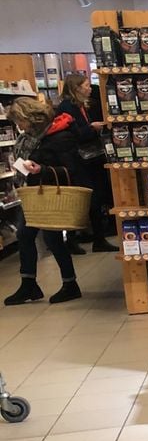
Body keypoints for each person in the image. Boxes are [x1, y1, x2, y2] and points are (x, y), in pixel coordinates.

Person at [4, 98, 86, 305]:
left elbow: (73, 170)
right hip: (33, 194)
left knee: (53, 238)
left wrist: (43, 170)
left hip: (51, 195)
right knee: (24, 234)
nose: (18, 127)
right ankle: (28, 284)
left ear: (28, 118)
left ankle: (70, 284)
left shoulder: (59, 136)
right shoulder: (30, 138)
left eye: (19, 121)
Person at [57, 73, 118, 252]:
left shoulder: (83, 105)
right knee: (84, 200)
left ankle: (98, 239)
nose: (89, 88)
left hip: (91, 158)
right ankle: (73, 238)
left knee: (96, 198)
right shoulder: (67, 108)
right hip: (79, 161)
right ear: (76, 88)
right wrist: (92, 128)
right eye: (85, 85)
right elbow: (72, 135)